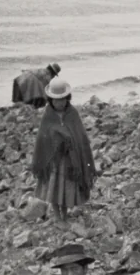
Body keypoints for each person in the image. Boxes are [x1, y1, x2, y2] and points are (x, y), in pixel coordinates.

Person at [31, 78, 97, 224]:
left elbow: (80, 137)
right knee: (54, 188)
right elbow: (43, 137)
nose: (59, 103)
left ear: (67, 98)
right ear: (51, 100)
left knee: (67, 188)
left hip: (70, 161)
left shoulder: (72, 113)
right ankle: (57, 216)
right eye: (56, 100)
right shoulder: (48, 115)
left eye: (62, 99)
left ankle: (65, 214)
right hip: (53, 161)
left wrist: (69, 141)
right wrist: (57, 139)